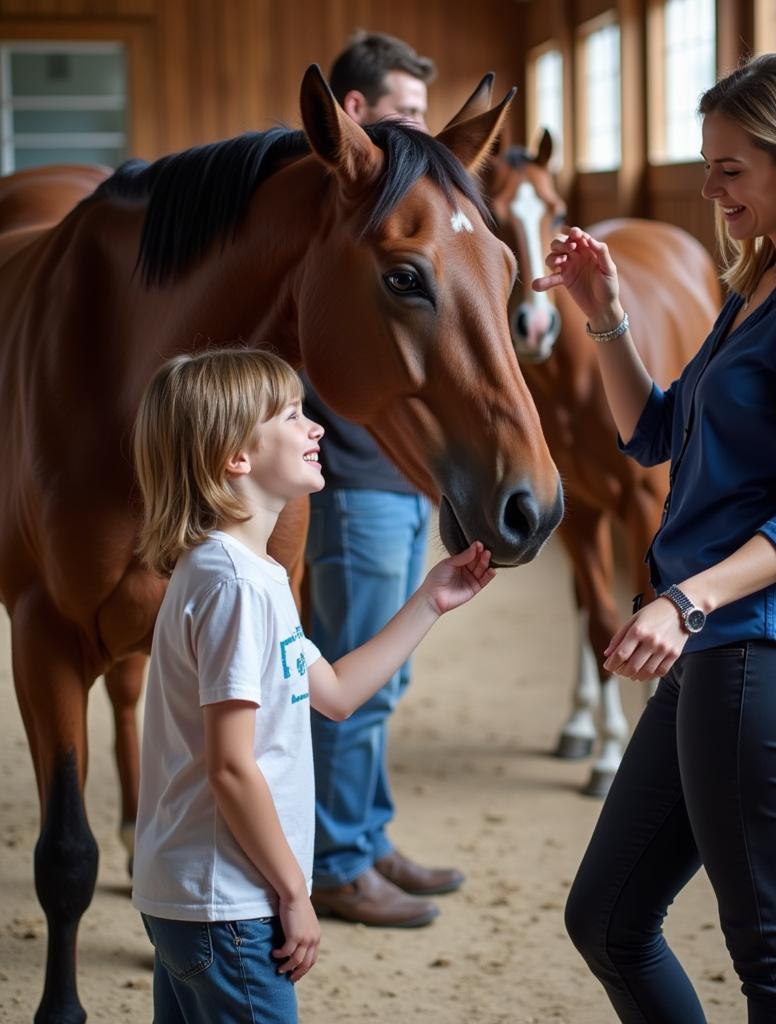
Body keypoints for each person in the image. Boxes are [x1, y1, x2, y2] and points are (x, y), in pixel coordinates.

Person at [533, 54, 776, 1024]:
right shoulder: (761, 283)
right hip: (720, 649)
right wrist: (606, 317)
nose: (709, 190)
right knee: (607, 917)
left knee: (771, 953)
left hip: (770, 650)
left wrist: (685, 595)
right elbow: (655, 430)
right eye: (706, 164)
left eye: (729, 168)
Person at [130, 348, 494, 1023]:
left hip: (198, 902)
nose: (317, 427)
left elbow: (333, 693)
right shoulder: (234, 586)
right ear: (234, 456)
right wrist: (296, 892)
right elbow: (232, 766)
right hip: (230, 907)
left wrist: (430, 600)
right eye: (293, 415)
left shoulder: (251, 573)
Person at [301, 31, 457, 930]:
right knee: (353, 675)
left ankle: (367, 831)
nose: (420, 131)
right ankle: (336, 859)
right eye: (403, 112)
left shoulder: (403, 207)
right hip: (355, 479)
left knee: (386, 677)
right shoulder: (337, 218)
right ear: (353, 113)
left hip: (401, 476)